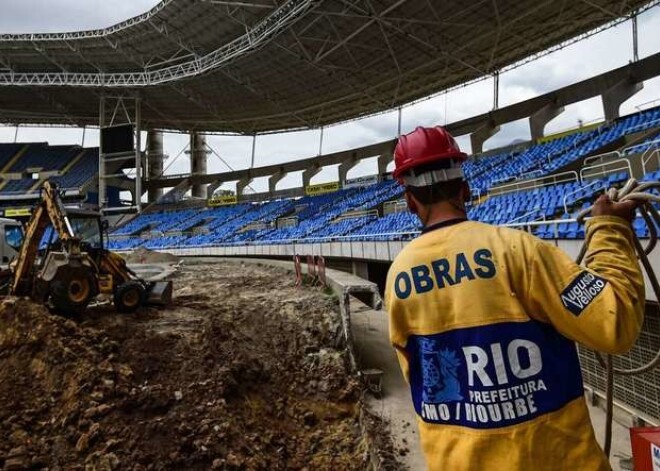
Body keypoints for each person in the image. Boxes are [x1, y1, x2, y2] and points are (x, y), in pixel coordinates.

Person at [384, 126, 644, 470]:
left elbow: (421, 379)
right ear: (465, 188)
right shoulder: (519, 249)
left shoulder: (398, 277)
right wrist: (610, 231)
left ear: (409, 200)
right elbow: (616, 323)